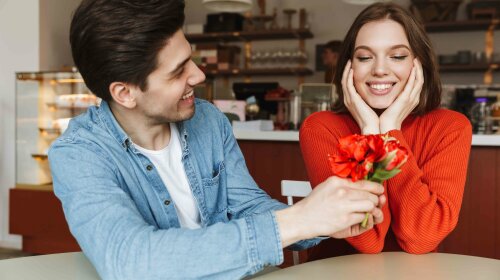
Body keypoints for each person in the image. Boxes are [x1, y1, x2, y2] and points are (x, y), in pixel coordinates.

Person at [48, 0, 386, 279]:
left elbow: (247, 205)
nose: (199, 74)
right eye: (179, 70)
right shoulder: (79, 155)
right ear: (125, 93)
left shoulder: (207, 120)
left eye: (191, 59)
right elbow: (130, 261)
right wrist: (299, 221)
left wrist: (322, 219)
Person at [300, 2, 472, 261]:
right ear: (349, 66)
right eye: (365, 57)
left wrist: (390, 130)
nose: (379, 69)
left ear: (419, 64)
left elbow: (421, 237)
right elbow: (367, 240)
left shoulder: (451, 127)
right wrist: (372, 132)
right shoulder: (321, 127)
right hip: (335, 273)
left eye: (398, 56)